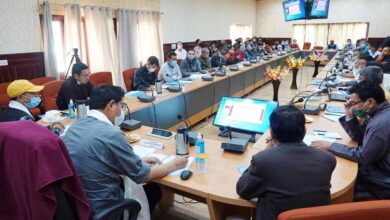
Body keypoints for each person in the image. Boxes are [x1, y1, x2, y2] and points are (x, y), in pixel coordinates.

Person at [63, 85, 188, 218]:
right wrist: (174, 164)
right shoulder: (111, 134)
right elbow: (143, 175)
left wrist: (137, 161)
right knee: (153, 189)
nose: (122, 111)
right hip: (104, 208)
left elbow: (98, 159)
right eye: (121, 106)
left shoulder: (74, 127)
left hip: (79, 205)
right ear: (111, 105)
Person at [237, 105, 336, 220]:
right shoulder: (328, 159)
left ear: (272, 132)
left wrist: (267, 149)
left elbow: (243, 190)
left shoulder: (263, 160)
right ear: (304, 131)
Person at [311, 81, 390, 200]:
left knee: (331, 184)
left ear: (370, 102)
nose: (352, 106)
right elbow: (360, 138)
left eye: (354, 103)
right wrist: (350, 115)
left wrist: (331, 146)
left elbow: (364, 156)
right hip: (378, 168)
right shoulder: (379, 113)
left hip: (382, 179)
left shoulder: (380, 123)